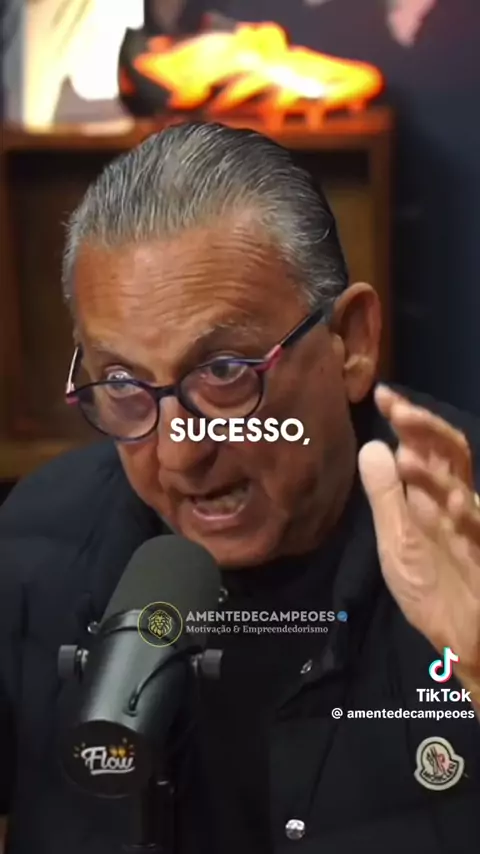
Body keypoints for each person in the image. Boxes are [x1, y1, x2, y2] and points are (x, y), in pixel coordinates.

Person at [0, 122, 479, 854]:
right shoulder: (32, 549)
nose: (178, 454)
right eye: (123, 383)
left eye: (224, 373)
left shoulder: (467, 536)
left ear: (351, 341)